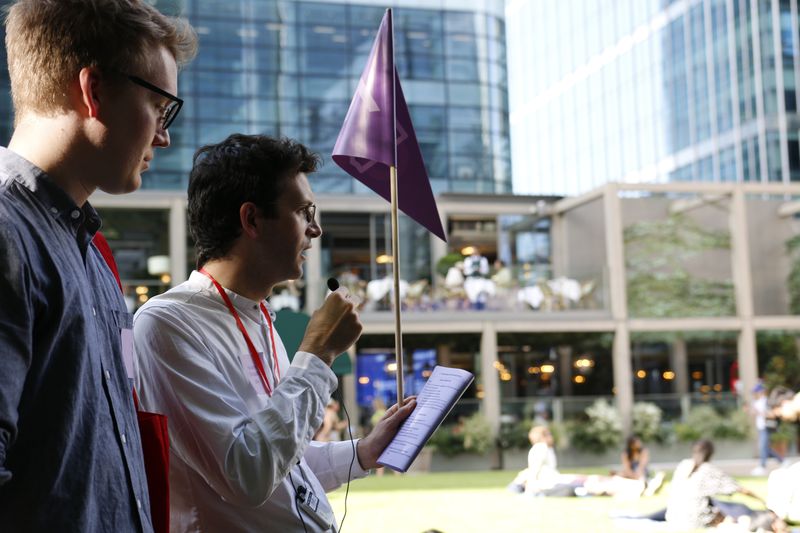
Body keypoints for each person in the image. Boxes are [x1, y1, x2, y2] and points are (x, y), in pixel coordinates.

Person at [133, 134, 416, 532]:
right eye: (303, 212)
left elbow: (284, 459)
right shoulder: (168, 323)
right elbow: (247, 475)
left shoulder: (260, 315)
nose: (315, 230)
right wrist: (317, 354)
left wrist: (365, 452)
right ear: (251, 219)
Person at [0, 1, 196, 530]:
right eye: (160, 107)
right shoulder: (8, 234)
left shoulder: (89, 250)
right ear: (93, 91)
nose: (164, 136)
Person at [665, 440, 777, 531]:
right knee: (736, 507)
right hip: (696, 521)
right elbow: (740, 489)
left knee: (715, 502)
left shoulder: (683, 465)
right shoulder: (708, 470)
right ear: (710, 453)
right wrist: (762, 501)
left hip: (673, 517)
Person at [750, 382, 784, 475]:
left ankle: (762, 466)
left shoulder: (767, 401)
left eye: (757, 392)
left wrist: (760, 413)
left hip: (766, 426)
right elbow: (754, 414)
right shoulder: (756, 402)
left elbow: (772, 414)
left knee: (763, 447)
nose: (755, 394)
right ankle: (782, 461)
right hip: (760, 427)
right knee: (765, 448)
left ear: (761, 391)